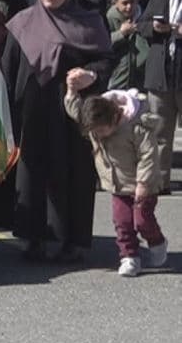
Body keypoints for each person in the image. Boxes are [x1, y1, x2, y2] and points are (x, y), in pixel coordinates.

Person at [0, 0, 112, 262]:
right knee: (31, 173)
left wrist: (91, 75)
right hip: (31, 111)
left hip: (72, 113)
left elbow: (106, 62)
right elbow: (7, 67)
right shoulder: (23, 21)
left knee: (73, 173)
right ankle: (33, 237)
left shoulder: (90, 22)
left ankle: (73, 241)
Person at [67, 88, 168, 277]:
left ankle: (157, 242)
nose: (99, 135)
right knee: (122, 222)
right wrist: (71, 92)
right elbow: (76, 112)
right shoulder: (95, 124)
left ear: (113, 118)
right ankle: (129, 256)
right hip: (118, 185)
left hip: (142, 185)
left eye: (101, 131)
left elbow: (148, 155)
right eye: (95, 132)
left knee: (142, 220)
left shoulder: (136, 126)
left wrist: (143, 183)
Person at [141, 0, 182, 186]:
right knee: (159, 134)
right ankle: (160, 182)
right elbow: (142, 25)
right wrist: (156, 28)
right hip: (161, 77)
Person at [107, 0, 146, 90]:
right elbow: (101, 44)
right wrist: (121, 33)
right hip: (116, 80)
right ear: (115, 3)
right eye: (124, 3)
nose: (129, 7)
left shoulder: (143, 18)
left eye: (132, 2)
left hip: (140, 80)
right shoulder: (108, 19)